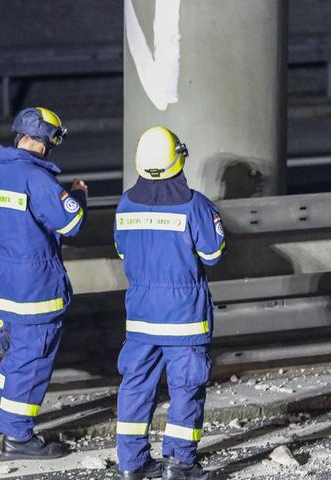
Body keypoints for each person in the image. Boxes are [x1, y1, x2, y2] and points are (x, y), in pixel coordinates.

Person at [0, 107, 88, 459]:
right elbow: (71, 224)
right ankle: (18, 437)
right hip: (37, 289)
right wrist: (78, 195)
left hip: (3, 286)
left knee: (17, 356)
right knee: (33, 362)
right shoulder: (38, 180)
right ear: (47, 141)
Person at [114, 127, 226, 480]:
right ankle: (179, 465)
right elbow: (213, 254)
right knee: (186, 392)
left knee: (135, 389)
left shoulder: (125, 204)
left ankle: (131, 465)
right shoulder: (195, 205)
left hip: (142, 317)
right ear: (179, 159)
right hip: (184, 320)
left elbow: (122, 251)